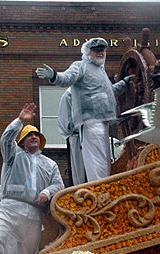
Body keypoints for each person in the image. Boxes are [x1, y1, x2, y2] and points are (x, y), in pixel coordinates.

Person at [0, 103, 64, 254]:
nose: (34, 137)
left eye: (36, 135)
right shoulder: (13, 155)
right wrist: (20, 121)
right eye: (29, 135)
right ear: (22, 141)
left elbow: (58, 185)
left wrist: (47, 193)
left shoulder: (49, 164)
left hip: (33, 215)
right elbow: (5, 139)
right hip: (9, 208)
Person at [36, 38, 134, 181]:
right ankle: (99, 190)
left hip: (103, 123)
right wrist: (55, 76)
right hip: (90, 122)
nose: (100, 52)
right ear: (88, 52)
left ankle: (102, 187)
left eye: (102, 50)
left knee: (104, 162)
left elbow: (108, 93)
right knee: (96, 164)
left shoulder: (100, 71)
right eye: (96, 50)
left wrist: (123, 84)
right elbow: (67, 78)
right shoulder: (80, 66)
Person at [58, 88, 86, 185]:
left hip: (92, 134)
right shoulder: (69, 94)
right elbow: (67, 123)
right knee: (80, 174)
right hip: (77, 137)